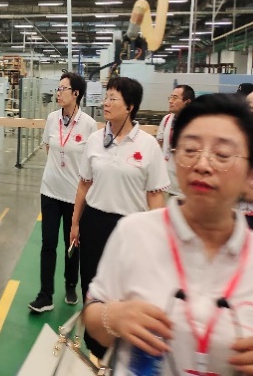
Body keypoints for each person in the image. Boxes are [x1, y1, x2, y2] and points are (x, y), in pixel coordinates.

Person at [84, 93, 253, 375]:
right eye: (190, 150)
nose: (202, 164)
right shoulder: (134, 232)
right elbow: (93, 317)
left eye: (223, 154)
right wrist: (112, 317)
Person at [69, 76, 169, 358]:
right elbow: (84, 185)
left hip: (131, 228)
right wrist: (75, 222)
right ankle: (94, 347)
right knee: (91, 283)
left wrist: (157, 238)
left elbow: (155, 195)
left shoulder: (148, 145)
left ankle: (118, 348)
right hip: (94, 221)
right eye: (106, 97)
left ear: (130, 106)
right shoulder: (94, 140)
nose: (106, 103)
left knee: (124, 288)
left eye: (113, 98)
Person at [28, 72, 97, 313]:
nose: (58, 93)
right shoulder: (52, 119)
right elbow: (49, 147)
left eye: (63, 89)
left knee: (72, 243)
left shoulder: (88, 124)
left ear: (75, 93)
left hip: (74, 195)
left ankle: (70, 284)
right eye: (57, 88)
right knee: (48, 243)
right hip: (49, 191)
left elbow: (89, 162)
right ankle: (45, 295)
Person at [157, 84, 195, 196]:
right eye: (170, 97)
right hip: (165, 182)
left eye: (175, 98)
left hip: (185, 186)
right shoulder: (167, 119)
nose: (170, 101)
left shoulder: (195, 123)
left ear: (187, 102)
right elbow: (159, 143)